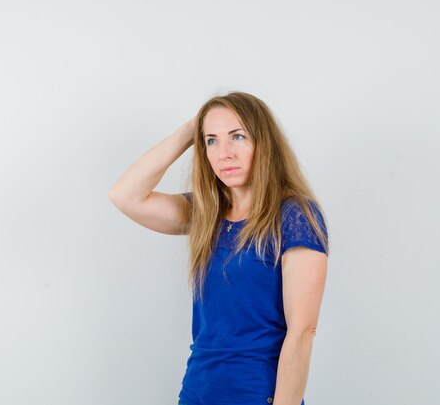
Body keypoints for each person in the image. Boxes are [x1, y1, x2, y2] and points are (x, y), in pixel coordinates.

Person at [108, 91, 329, 405]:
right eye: (211, 140)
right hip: (197, 392)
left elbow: (303, 331)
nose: (224, 153)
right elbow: (125, 195)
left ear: (264, 143)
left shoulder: (293, 216)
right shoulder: (206, 213)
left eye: (237, 136)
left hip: (257, 395)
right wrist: (190, 131)